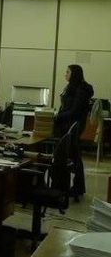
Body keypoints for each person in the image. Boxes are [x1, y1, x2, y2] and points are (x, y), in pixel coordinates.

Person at [54, 64, 94, 200]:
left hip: (73, 126)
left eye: (67, 72)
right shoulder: (71, 87)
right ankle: (71, 186)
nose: (65, 74)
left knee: (73, 155)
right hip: (67, 124)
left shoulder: (81, 89)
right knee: (71, 154)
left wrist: (58, 117)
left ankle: (76, 187)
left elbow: (75, 111)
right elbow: (67, 106)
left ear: (74, 74)